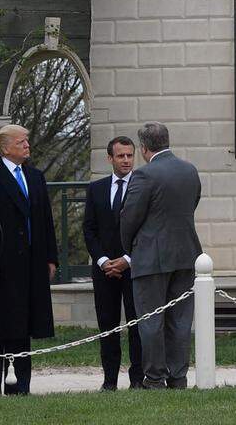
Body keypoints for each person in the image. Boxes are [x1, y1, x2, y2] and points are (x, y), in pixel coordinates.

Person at [0, 124, 58, 397]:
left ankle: (20, 385)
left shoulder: (35, 176)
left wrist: (50, 257)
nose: (27, 146)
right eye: (22, 142)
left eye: (27, 141)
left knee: (22, 325)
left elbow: (45, 220)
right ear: (5, 147)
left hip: (30, 263)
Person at [119, 122, 202, 390]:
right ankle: (178, 377)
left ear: (143, 147)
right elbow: (193, 204)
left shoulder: (144, 175)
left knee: (151, 320)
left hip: (150, 258)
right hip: (187, 253)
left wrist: (130, 248)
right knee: (180, 320)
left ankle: (154, 378)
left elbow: (129, 219)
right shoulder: (189, 170)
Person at [83, 136, 144, 391]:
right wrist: (103, 261)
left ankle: (137, 379)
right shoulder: (96, 189)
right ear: (110, 158)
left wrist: (127, 260)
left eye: (130, 155)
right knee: (107, 326)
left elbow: (146, 228)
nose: (126, 160)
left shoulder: (143, 186)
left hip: (134, 269)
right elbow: (89, 229)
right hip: (104, 271)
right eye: (121, 156)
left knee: (136, 325)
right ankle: (109, 380)